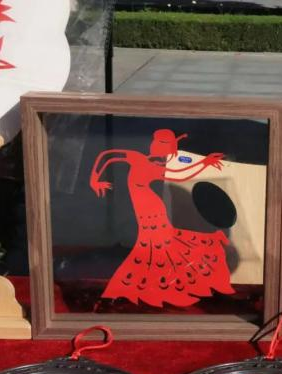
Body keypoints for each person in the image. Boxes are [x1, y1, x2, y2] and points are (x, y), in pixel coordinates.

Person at [89, 129, 234, 308]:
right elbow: (107, 155)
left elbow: (180, 174)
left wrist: (204, 163)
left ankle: (161, 284)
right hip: (146, 209)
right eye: (160, 143)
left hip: (152, 208)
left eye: (166, 145)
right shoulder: (137, 158)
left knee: (158, 244)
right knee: (156, 245)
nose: (160, 147)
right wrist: (94, 179)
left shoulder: (154, 166)